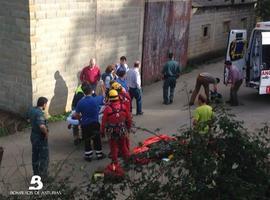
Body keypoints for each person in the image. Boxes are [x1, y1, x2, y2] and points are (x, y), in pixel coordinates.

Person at [73, 84, 105, 161]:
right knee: (97, 139)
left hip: (85, 124)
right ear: (91, 91)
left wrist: (80, 120)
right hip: (95, 123)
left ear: (83, 92)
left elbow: (76, 114)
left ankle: (88, 156)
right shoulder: (96, 100)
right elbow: (104, 100)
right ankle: (99, 154)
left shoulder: (80, 102)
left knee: (87, 140)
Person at [101, 90, 132, 165]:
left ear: (109, 98)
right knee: (123, 146)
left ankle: (115, 164)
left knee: (113, 148)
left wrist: (102, 132)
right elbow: (128, 119)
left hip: (112, 131)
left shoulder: (107, 109)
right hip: (122, 129)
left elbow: (103, 122)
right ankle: (128, 161)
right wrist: (128, 128)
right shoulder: (123, 106)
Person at [27, 97, 49, 179]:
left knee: (35, 155)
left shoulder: (31, 110)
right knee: (44, 157)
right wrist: (46, 133)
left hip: (33, 135)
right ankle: (43, 176)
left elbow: (28, 119)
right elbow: (42, 126)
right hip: (40, 137)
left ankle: (36, 174)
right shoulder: (39, 113)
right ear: (44, 104)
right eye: (46, 104)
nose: (46, 106)